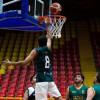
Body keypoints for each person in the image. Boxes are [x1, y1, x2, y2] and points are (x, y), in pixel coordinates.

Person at [3, 33, 62, 100]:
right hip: (50, 78)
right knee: (59, 97)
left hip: (41, 79)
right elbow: (49, 38)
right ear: (45, 42)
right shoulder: (48, 48)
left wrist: (11, 63)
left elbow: (24, 62)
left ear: (38, 42)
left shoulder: (36, 51)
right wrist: (48, 26)